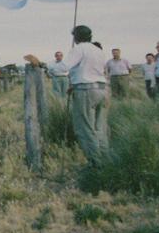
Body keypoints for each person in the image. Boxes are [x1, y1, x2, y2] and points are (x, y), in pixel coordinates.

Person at [25, 25, 109, 166]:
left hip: (86, 91)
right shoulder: (98, 50)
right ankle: (106, 160)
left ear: (76, 37)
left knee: (85, 129)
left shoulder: (79, 48)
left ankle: (96, 165)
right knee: (99, 128)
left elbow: (63, 67)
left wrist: (41, 64)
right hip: (101, 90)